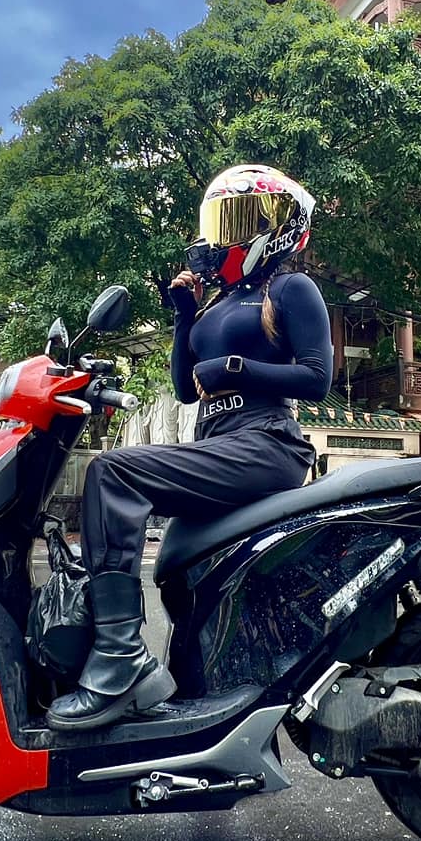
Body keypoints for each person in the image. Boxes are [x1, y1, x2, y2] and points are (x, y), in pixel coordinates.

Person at [48, 165, 331, 731]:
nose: (225, 234)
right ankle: (206, 726)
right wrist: (183, 317)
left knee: (113, 473)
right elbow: (184, 387)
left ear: (279, 230)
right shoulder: (216, 305)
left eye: (241, 220)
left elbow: (317, 377)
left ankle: (118, 661)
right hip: (220, 445)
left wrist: (236, 368)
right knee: (179, 575)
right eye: (222, 220)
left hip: (266, 444)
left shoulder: (289, 289)